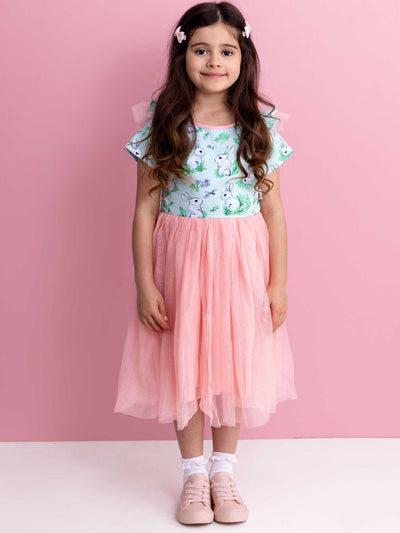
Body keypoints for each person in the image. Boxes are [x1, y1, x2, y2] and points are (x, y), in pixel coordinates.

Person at [114, 1, 298, 525]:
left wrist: (278, 282)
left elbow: (274, 210)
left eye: (226, 50)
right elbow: (145, 208)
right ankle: (194, 476)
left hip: (240, 265)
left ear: (243, 58)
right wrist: (144, 284)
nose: (213, 61)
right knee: (186, 365)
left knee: (233, 366)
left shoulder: (257, 125)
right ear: (182, 54)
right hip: (183, 269)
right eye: (201, 49)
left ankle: (224, 472)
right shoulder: (164, 123)